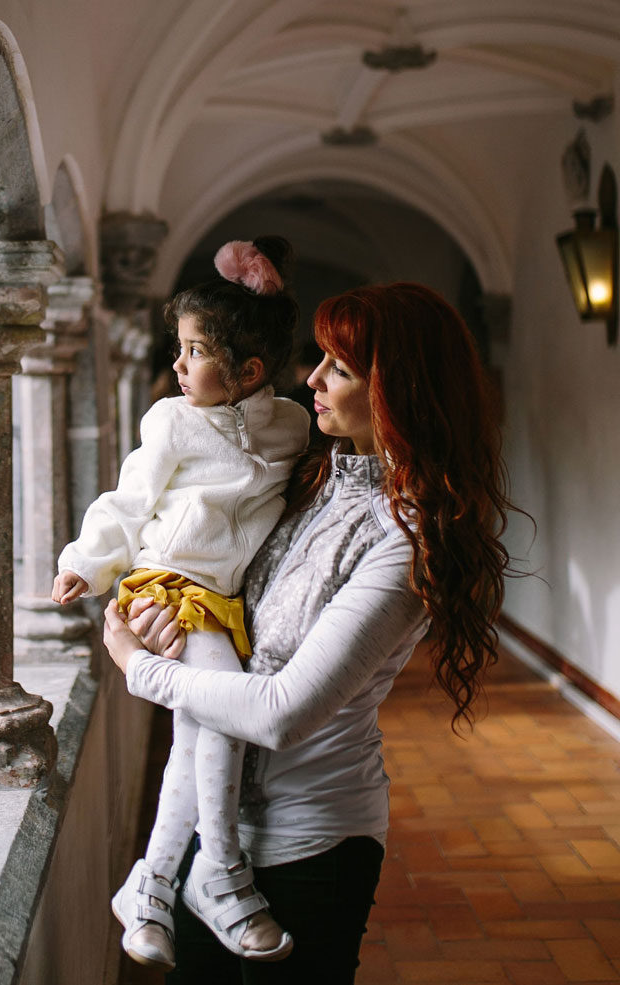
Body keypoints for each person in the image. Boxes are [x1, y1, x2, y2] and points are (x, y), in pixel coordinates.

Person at [103, 281, 515, 984]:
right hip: (213, 827)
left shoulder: (407, 540)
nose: (312, 377)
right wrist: (167, 620)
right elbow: (219, 593)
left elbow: (283, 711)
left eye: (339, 367)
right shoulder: (306, 479)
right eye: (319, 357)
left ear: (398, 391)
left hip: (309, 842)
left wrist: (138, 666)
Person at [53, 239, 311, 970]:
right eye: (179, 348)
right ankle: (219, 869)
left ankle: (153, 885)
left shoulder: (291, 427)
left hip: (219, 602)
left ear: (248, 372)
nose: (177, 364)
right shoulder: (171, 421)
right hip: (164, 583)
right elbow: (127, 500)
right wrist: (84, 563)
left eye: (194, 351)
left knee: (197, 734)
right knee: (224, 710)